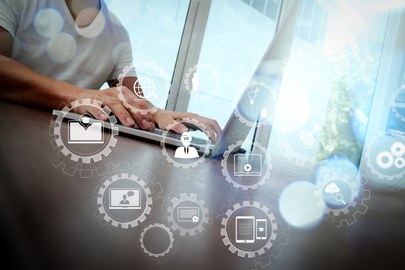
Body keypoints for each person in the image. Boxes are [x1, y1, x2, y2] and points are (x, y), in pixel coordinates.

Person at [0, 0, 222, 141]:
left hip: (61, 143)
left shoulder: (118, 34)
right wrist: (78, 96)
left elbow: (135, 103)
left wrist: (158, 114)